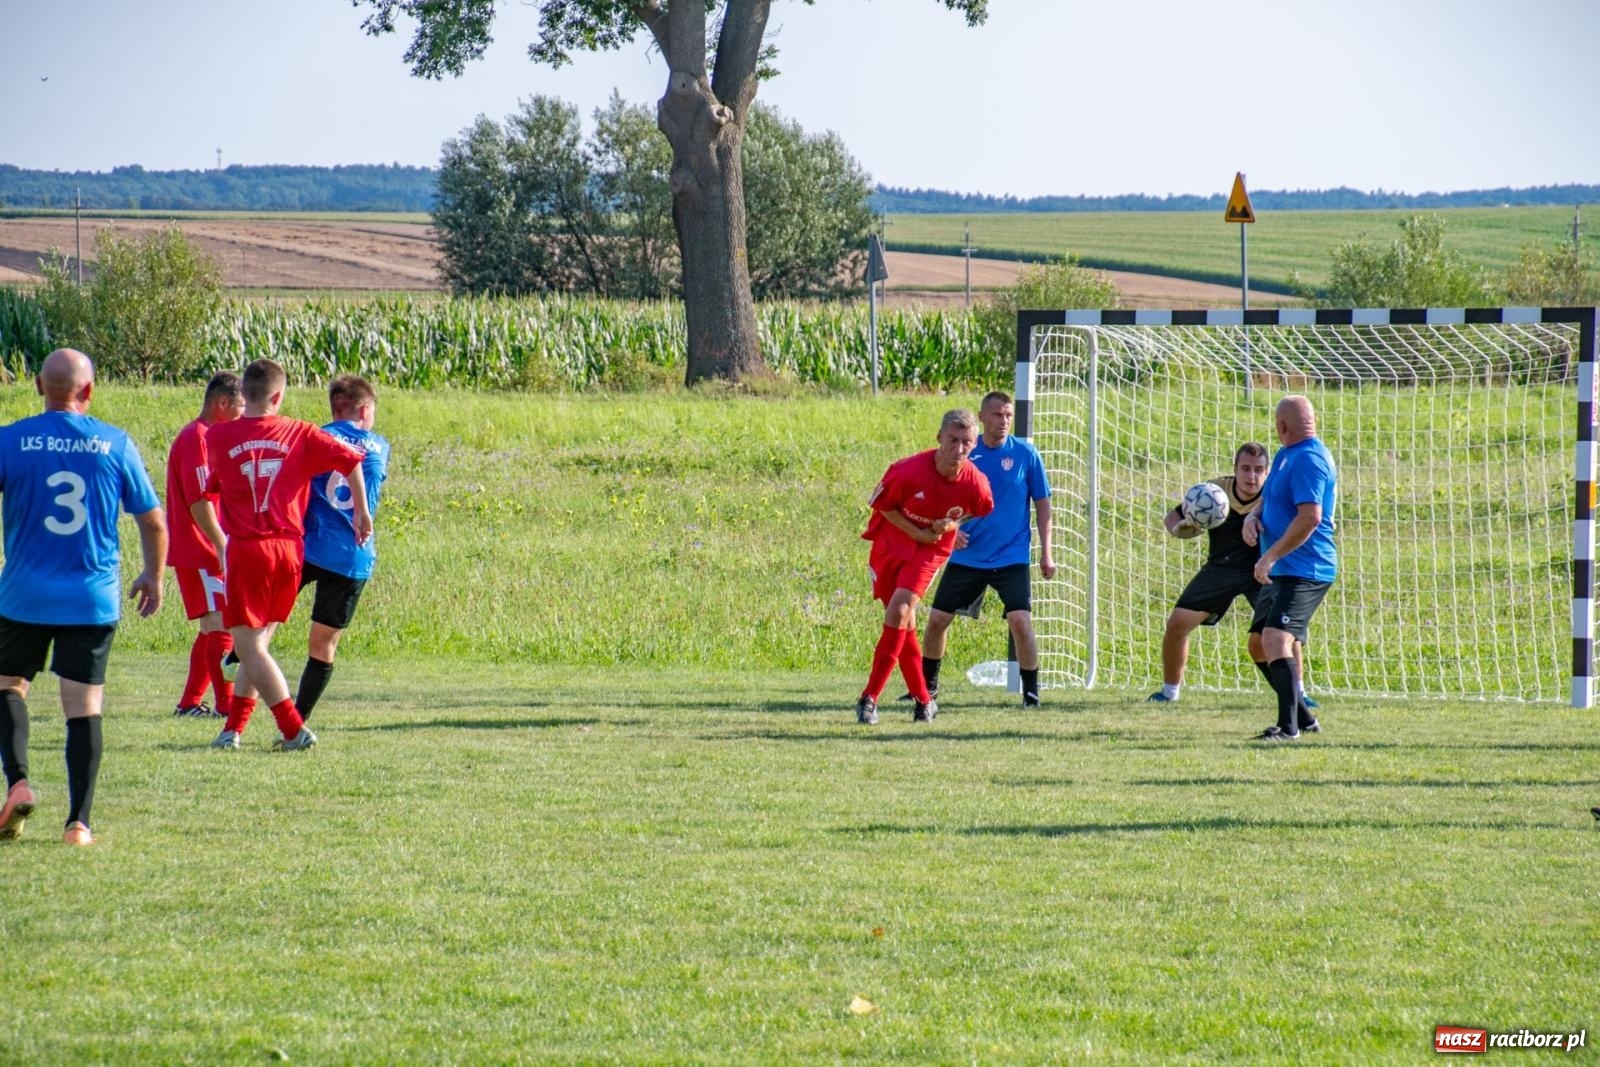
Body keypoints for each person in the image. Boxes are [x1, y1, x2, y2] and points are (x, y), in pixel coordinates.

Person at [0, 349, 166, 846]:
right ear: (88, 392)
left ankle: (20, 782)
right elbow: (153, 520)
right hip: (91, 597)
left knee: (8, 686)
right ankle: (79, 824)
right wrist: (153, 576)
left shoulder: (9, 441)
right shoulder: (114, 444)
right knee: (84, 707)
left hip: (23, 594)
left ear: (37, 387)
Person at [202, 359, 371, 751]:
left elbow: (211, 487)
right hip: (291, 551)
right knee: (256, 645)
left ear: (243, 394)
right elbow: (351, 460)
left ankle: (293, 729)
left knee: (247, 647)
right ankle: (233, 730)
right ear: (278, 396)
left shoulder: (219, 438)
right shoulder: (300, 432)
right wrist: (362, 511)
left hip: (249, 548)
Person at [1147, 442, 1315, 705]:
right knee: (1177, 624)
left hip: (1263, 571)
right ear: (1234, 469)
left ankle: (1301, 693)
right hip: (1221, 568)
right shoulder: (1213, 492)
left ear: (1268, 472)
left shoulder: (1275, 496)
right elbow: (1172, 516)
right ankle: (1169, 693)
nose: (1251, 476)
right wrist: (1178, 529)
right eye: (1245, 469)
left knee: (1283, 631)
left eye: (1259, 470)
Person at [915, 391, 1054, 707]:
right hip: (969, 555)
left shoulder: (1026, 454)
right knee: (937, 620)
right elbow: (941, 498)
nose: (1003, 421)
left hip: (1011, 555)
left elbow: (1043, 505)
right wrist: (953, 532)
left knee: (1020, 621)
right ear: (981, 418)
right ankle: (927, 689)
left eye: (1007, 415)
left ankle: (1031, 694)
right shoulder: (964, 454)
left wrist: (1047, 551)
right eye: (996, 415)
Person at [856, 409, 994, 725]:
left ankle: (869, 698)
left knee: (900, 612)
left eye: (967, 443)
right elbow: (882, 504)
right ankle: (924, 700)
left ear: (974, 445)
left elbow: (980, 509)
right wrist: (917, 531)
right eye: (953, 440)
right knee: (903, 624)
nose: (959, 449)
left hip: (930, 551)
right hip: (892, 543)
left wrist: (951, 525)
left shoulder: (977, 485)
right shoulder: (907, 471)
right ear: (939, 438)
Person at [293, 375, 389, 722]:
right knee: (323, 644)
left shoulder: (314, 436)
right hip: (352, 553)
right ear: (365, 409)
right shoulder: (379, 445)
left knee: (264, 625)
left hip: (306, 545)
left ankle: (236, 681)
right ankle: (296, 720)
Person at [1243, 395, 1338, 742]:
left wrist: (1269, 556)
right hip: (1284, 568)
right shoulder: (1285, 455)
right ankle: (1304, 717)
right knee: (1258, 644)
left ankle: (1288, 728)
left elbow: (1310, 517)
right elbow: (1270, 498)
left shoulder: (1310, 459)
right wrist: (1253, 517)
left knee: (1276, 638)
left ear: (1281, 426)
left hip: (1306, 568)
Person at [165, 371, 245, 718]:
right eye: (241, 405)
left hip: (207, 547)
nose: (245, 411)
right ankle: (226, 707)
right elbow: (200, 501)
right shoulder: (197, 438)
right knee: (220, 624)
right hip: (201, 548)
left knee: (212, 626)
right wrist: (221, 544)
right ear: (222, 403)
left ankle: (190, 703)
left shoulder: (212, 437)